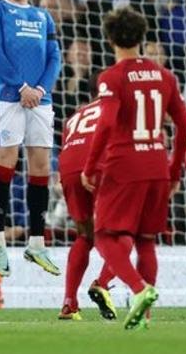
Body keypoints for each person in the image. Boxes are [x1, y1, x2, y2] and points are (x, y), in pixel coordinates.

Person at [80, 7, 186, 330]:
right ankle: (145, 316)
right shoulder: (165, 75)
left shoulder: (111, 78)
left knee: (103, 235)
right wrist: (174, 170)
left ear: (110, 39)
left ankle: (140, 289)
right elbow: (185, 127)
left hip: (123, 166)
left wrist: (90, 167)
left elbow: (106, 124)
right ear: (142, 37)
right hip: (157, 163)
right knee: (145, 240)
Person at [0, 0, 62, 278]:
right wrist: (22, 86)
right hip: (10, 97)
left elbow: (54, 56)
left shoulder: (43, 16)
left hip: (41, 99)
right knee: (7, 164)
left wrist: (40, 88)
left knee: (41, 168)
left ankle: (37, 243)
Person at [56, 96, 118, 321]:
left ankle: (69, 303)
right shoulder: (118, 104)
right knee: (125, 233)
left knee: (84, 236)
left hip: (69, 170)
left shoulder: (76, 115)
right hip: (99, 166)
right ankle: (101, 284)